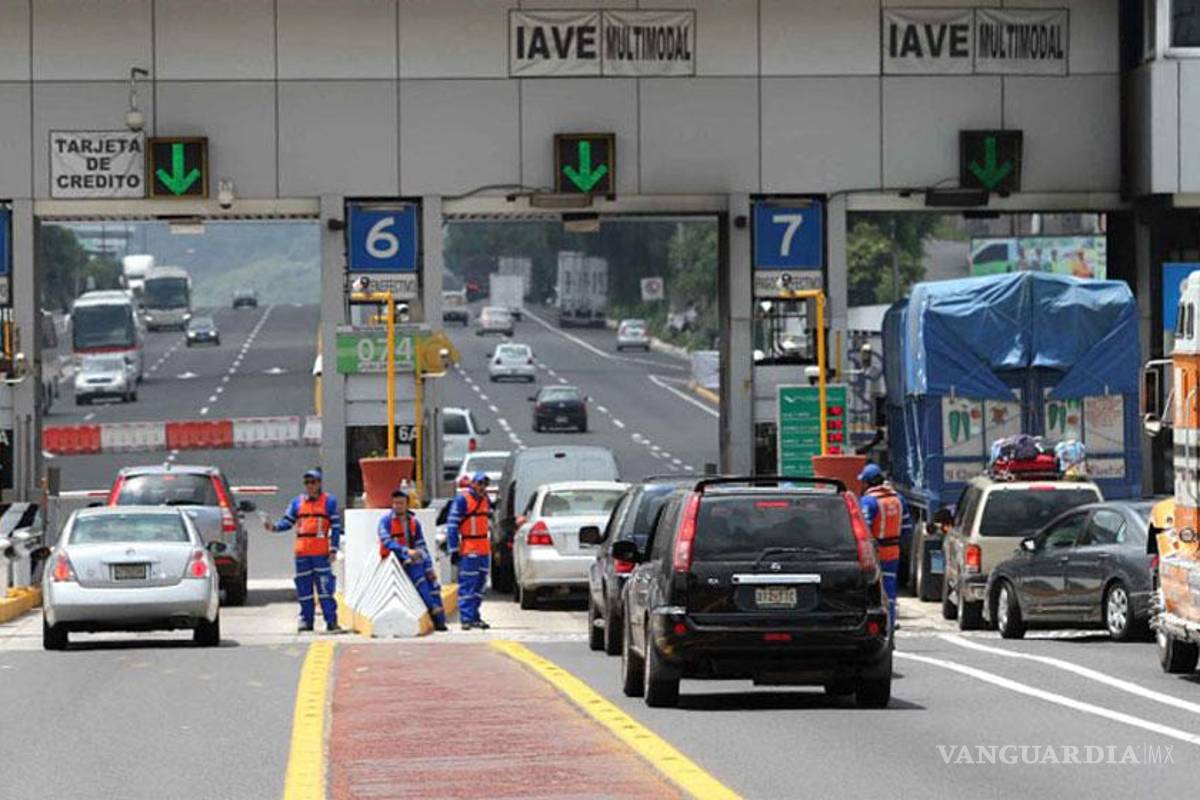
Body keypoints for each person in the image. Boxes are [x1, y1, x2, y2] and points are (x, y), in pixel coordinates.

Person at [266, 468, 343, 633]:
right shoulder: (297, 502)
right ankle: (306, 620)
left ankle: (331, 621)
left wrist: (334, 548)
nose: (310, 485)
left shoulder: (329, 502)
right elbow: (287, 522)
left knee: (325, 588)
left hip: (321, 553)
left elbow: (336, 527)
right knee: (304, 589)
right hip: (302, 553)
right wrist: (273, 528)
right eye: (307, 482)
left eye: (313, 482)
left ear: (319, 483)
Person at [377, 487, 447, 632]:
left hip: (414, 559)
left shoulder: (414, 522)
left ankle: (440, 620)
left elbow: (422, 546)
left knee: (432, 582)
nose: (398, 506)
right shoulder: (385, 521)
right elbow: (387, 541)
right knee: (419, 578)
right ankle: (432, 608)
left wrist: (429, 568)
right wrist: (406, 551)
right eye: (395, 503)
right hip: (398, 560)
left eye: (401, 503)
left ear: (407, 504)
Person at [858, 463, 912, 630]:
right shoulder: (898, 499)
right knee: (889, 588)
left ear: (868, 483)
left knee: (870, 587)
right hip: (893, 551)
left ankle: (873, 623)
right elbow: (907, 528)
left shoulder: (868, 501)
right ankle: (890, 621)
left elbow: (863, 529)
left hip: (874, 553)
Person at [446, 471, 492, 630]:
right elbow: (452, 525)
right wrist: (453, 549)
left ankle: (474, 617)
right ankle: (466, 618)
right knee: (468, 585)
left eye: (485, 484)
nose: (483, 487)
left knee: (480, 585)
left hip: (484, 548)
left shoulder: (486, 499)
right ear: (473, 484)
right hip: (469, 547)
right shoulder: (462, 500)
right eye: (480, 483)